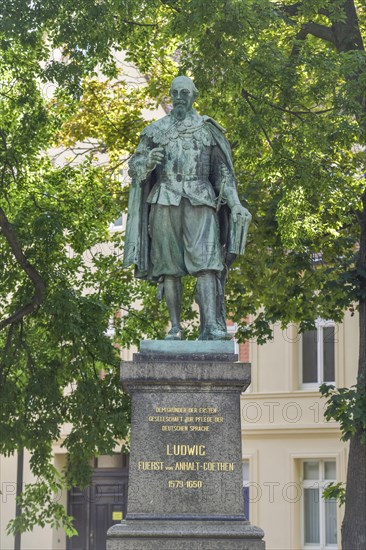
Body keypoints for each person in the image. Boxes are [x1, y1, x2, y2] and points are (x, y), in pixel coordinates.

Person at [123, 76, 251, 340]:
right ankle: (175, 328)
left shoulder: (207, 130)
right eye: (175, 92)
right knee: (169, 268)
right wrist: (147, 161)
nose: (179, 96)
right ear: (170, 95)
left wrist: (236, 203)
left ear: (194, 95)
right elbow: (134, 170)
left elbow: (223, 174)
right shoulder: (154, 131)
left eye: (184, 92)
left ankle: (213, 327)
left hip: (201, 200)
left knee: (207, 264)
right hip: (164, 200)